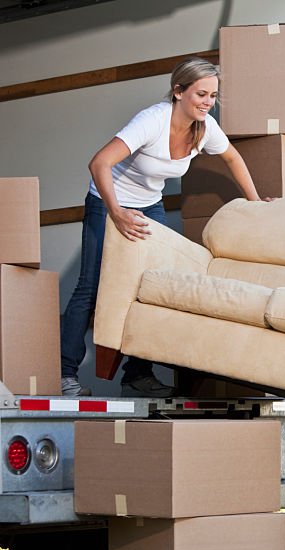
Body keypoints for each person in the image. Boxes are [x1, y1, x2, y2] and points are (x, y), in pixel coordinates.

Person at [60, 57, 266, 398]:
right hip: (107, 201)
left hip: (149, 205)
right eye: (201, 94)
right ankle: (67, 374)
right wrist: (116, 212)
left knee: (154, 286)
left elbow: (232, 157)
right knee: (91, 285)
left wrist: (256, 202)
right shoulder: (152, 121)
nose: (207, 102)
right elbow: (99, 163)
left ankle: (136, 374)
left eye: (213, 96)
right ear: (178, 91)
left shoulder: (204, 129)